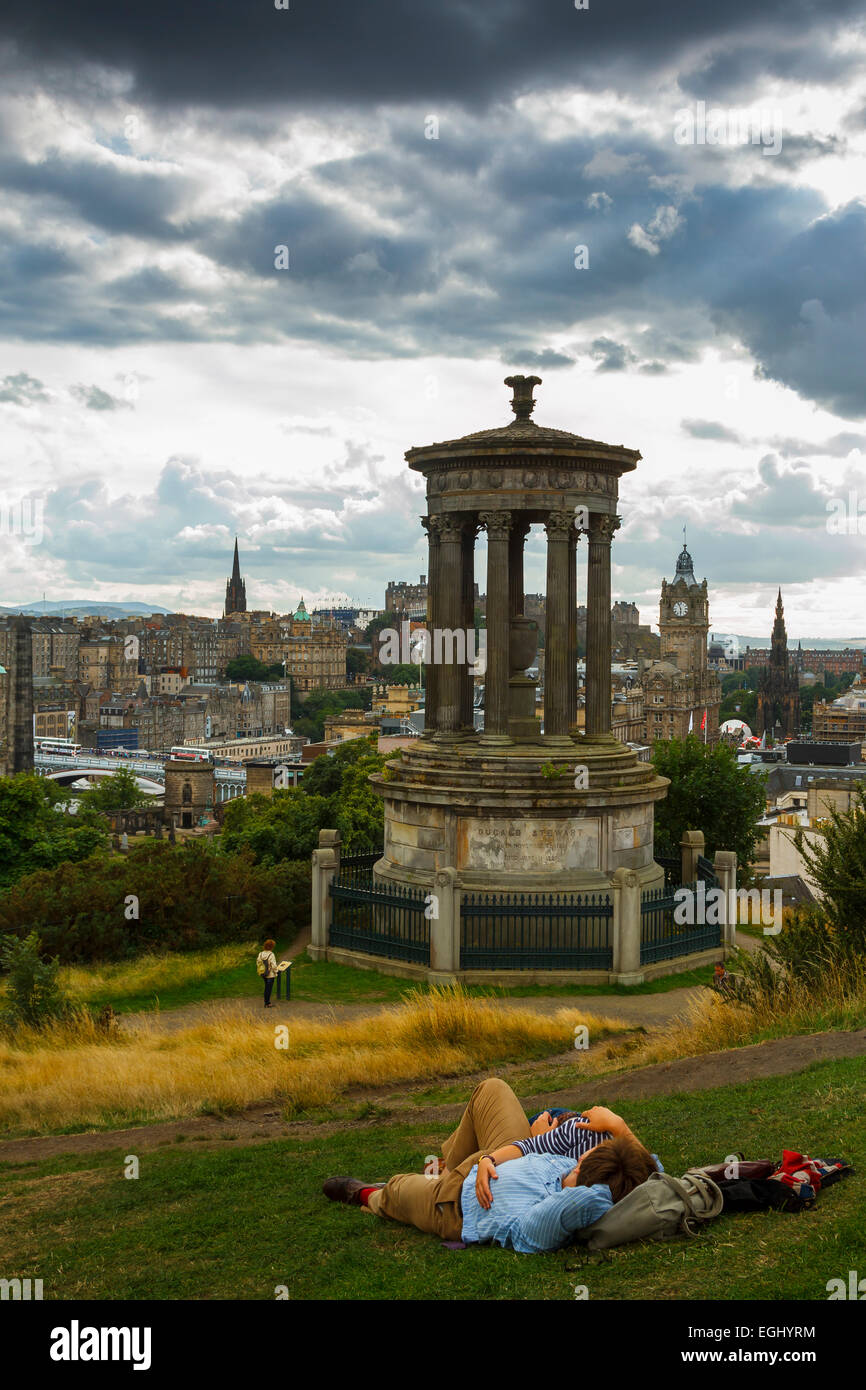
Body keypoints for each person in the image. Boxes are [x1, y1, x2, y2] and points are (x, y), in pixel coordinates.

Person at [323, 1078, 659, 1252]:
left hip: (453, 1205)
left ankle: (369, 1195)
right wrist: (618, 1128)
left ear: (590, 1190)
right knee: (491, 1089)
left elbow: (584, 1200)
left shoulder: (552, 1217)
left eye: (579, 1167)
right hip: (488, 1160)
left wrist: (593, 1190)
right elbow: (653, 1169)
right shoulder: (581, 1162)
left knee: (396, 1189)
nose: (578, 1161)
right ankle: (450, 1163)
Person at [257, 939, 278, 1008]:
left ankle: (266, 1002)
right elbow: (274, 965)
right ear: (272, 946)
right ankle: (267, 1003)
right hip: (270, 974)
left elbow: (258, 963)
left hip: (263, 973)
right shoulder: (271, 954)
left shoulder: (260, 954)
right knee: (268, 988)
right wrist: (276, 971)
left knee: (266, 987)